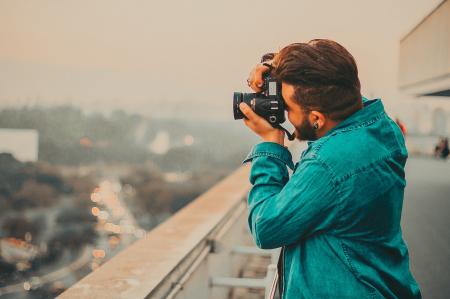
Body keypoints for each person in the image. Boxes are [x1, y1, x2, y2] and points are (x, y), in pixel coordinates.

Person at [239, 39, 421, 298]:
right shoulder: (381, 126)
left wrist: (270, 144)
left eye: (288, 107)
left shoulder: (329, 164)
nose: (283, 113)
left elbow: (266, 227)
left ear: (316, 117)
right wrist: (275, 66)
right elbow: (333, 81)